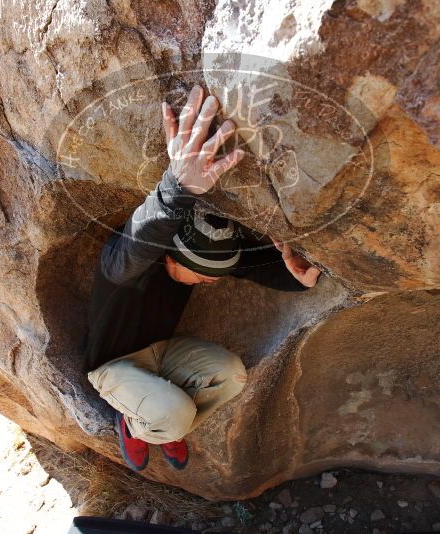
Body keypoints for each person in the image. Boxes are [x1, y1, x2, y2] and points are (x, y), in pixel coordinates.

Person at [84, 85, 322, 472]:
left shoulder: (199, 264)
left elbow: (244, 265)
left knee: (232, 376)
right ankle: (140, 426)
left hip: (163, 352)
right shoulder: (123, 268)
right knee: (174, 415)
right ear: (172, 253)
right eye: (204, 275)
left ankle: (164, 420)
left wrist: (301, 279)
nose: (213, 282)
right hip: (113, 367)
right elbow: (138, 241)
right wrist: (178, 187)